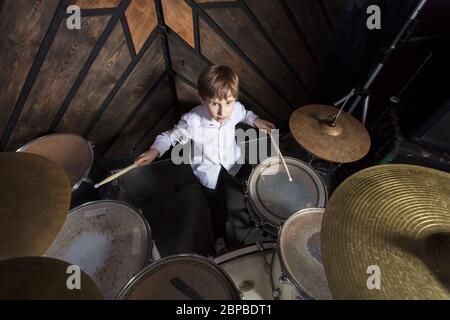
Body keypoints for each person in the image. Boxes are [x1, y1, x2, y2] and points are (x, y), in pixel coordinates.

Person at [135, 65, 276, 255]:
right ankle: (219, 238)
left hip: (232, 158)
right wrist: (154, 151)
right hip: (207, 169)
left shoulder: (235, 110)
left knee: (252, 178)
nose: (222, 111)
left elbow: (246, 114)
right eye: (214, 103)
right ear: (202, 99)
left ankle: (258, 206)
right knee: (217, 207)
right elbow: (169, 137)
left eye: (228, 102)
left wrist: (256, 120)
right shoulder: (192, 121)